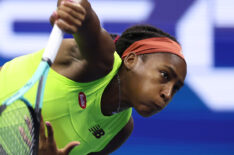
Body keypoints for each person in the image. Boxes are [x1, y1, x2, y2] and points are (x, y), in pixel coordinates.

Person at [0, 0, 187, 154]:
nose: (167, 93)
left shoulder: (120, 130)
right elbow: (90, 29)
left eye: (176, 88)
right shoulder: (101, 61)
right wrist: (80, 11)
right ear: (131, 60)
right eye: (164, 75)